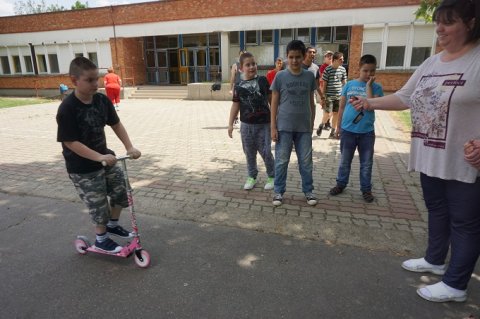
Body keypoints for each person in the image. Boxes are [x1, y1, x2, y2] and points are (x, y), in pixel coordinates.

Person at [351, 0, 480, 303]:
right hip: (430, 155)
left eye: (448, 22)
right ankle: (435, 260)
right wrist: (370, 103)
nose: (440, 28)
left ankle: (456, 284)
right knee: (437, 211)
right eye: (438, 22)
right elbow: (406, 96)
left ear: (471, 23)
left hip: (464, 161)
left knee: (464, 222)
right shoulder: (432, 62)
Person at [56, 57, 141, 253]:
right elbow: (70, 142)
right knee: (99, 206)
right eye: (90, 80)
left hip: (105, 159)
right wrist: (98, 157)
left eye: (97, 79)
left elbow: (116, 124)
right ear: (74, 80)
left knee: (122, 193)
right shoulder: (68, 108)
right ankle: (101, 240)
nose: (96, 84)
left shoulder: (102, 100)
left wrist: (129, 147)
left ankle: (112, 225)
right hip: (82, 167)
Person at [329, 54, 383, 203]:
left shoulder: (377, 87)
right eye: (365, 70)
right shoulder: (349, 85)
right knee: (345, 161)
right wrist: (338, 126)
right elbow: (341, 107)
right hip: (348, 131)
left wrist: (368, 87)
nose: (368, 74)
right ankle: (341, 184)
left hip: (366, 133)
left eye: (372, 71)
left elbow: (371, 105)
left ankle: (366, 189)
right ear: (359, 68)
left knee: (366, 163)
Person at [270, 40, 317, 207]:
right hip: (284, 127)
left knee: (306, 161)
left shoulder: (310, 76)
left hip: (304, 128)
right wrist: (273, 127)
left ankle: (308, 190)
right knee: (281, 161)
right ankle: (278, 191)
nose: (295, 60)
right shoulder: (280, 76)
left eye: (298, 57)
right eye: (291, 57)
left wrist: (312, 122)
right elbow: (274, 102)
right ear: (286, 57)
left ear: (303, 57)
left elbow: (311, 102)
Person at [228, 52, 275, 191]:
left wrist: (275, 121)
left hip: (264, 125)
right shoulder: (238, 86)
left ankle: (272, 176)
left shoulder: (263, 81)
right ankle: (252, 176)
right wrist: (230, 124)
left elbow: (272, 101)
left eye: (253, 64)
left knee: (266, 151)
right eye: (248, 65)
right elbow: (235, 105)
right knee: (249, 152)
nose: (251, 67)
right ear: (241, 68)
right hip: (246, 126)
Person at [317, 52, 347, 138]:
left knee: (336, 114)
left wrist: (346, 94)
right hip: (329, 96)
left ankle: (332, 132)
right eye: (340, 59)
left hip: (339, 96)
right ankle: (322, 125)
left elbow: (344, 83)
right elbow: (324, 84)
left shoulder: (343, 70)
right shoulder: (328, 69)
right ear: (335, 60)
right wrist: (323, 96)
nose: (343, 60)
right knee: (328, 114)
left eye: (343, 59)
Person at [317, 50, 334, 131]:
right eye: (328, 56)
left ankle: (327, 123)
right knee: (326, 109)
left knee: (332, 109)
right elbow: (322, 79)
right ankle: (325, 124)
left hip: (332, 91)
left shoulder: (334, 66)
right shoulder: (323, 67)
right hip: (325, 91)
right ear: (325, 58)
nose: (330, 57)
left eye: (331, 56)